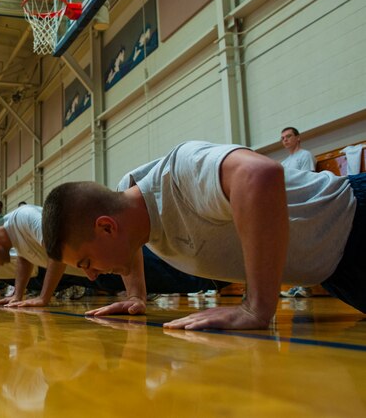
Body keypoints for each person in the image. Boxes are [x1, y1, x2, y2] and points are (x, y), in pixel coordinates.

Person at [41, 140, 365, 330]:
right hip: (336, 272)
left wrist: (256, 307)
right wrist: (135, 296)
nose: (91, 275)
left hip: (356, 218)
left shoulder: (180, 171)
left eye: (85, 261)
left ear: (106, 226)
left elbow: (259, 174)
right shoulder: (132, 212)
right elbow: (132, 245)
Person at [0, 205, 220, 305]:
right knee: (173, 279)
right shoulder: (12, 233)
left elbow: (58, 251)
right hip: (95, 272)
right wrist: (16, 296)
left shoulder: (24, 216)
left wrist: (43, 298)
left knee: (175, 273)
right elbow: (26, 262)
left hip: (110, 257)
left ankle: (225, 278)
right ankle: (222, 280)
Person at [279, 127, 317, 298]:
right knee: (293, 247)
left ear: (298, 138)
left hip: (303, 204)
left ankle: (305, 286)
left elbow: (309, 179)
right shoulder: (284, 163)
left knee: (304, 245)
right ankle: (297, 285)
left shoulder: (305, 156)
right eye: (283, 138)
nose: (285, 140)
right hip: (289, 206)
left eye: (288, 136)